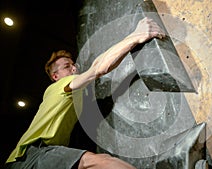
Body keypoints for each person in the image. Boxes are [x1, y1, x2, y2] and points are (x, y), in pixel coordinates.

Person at [5, 17, 165, 169]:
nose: (74, 68)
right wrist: (136, 36)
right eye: (67, 66)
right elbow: (98, 69)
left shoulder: (75, 94)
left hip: (33, 158)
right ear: (56, 76)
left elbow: (101, 63)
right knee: (100, 162)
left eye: (73, 65)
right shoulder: (58, 87)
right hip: (29, 155)